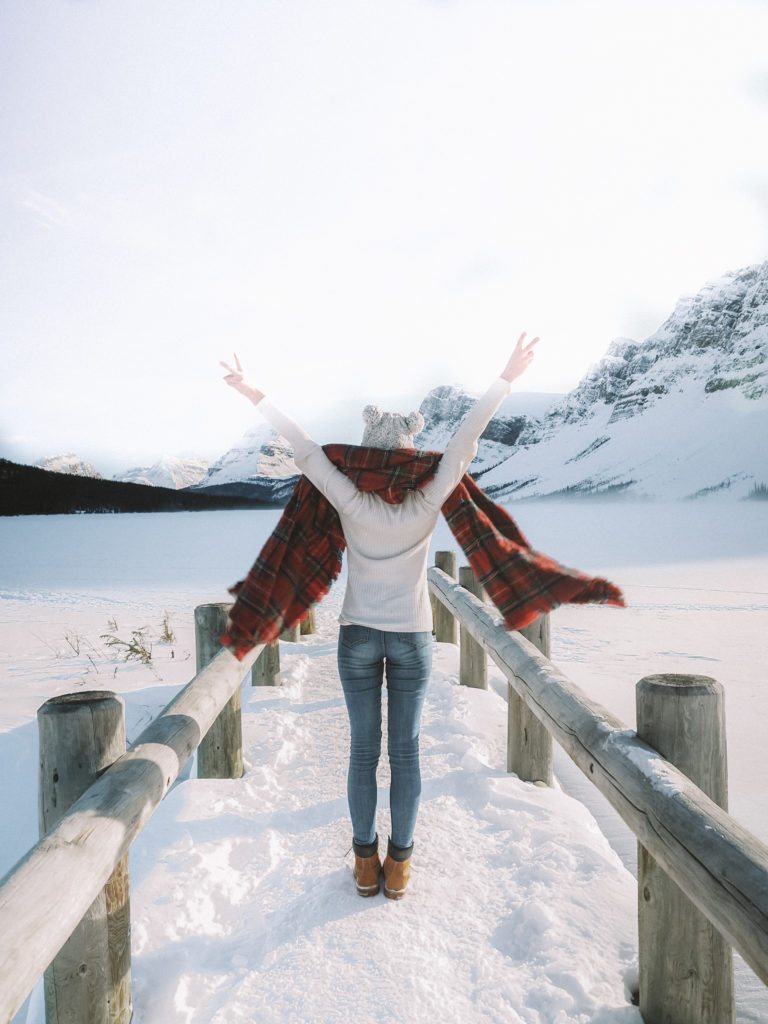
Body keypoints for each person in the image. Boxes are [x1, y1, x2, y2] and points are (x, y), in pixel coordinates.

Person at [219, 332, 539, 898]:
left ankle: (366, 863)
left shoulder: (351, 501)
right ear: (409, 459)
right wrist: (505, 378)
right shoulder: (425, 502)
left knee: (364, 751)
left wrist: (255, 395)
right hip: (412, 637)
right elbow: (464, 443)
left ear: (368, 457)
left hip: (358, 637)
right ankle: (401, 867)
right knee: (406, 751)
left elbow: (303, 448)